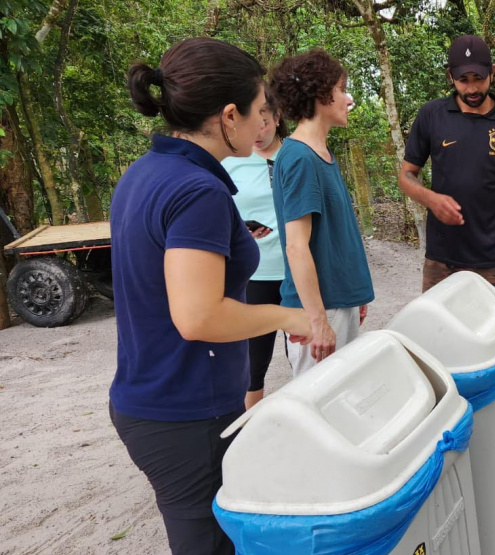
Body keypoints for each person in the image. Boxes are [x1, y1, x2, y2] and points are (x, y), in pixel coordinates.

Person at [109, 38, 312, 555]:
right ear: (228, 116)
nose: (264, 124)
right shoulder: (198, 191)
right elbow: (198, 316)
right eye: (260, 111)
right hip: (185, 412)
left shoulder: (144, 173)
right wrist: (291, 315)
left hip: (158, 399)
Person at [398, 34, 495, 292]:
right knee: (437, 331)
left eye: (479, 79)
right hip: (441, 261)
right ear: (450, 76)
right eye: (463, 81)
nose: (472, 89)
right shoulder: (431, 115)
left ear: (492, 72)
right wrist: (431, 199)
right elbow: (406, 175)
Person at [268, 49, 374, 375]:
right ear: (321, 94)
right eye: (342, 89)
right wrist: (318, 321)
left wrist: (354, 295)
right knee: (323, 413)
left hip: (339, 304)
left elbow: (336, 237)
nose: (348, 98)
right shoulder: (300, 158)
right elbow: (296, 246)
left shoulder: (320, 152)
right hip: (321, 311)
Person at [222, 91, 289, 409]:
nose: (260, 132)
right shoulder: (231, 162)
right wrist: (241, 226)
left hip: (297, 274)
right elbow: (217, 212)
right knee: (252, 368)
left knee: (310, 362)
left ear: (278, 119)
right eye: (255, 124)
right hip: (254, 275)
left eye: (266, 123)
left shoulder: (298, 155)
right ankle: (247, 438)